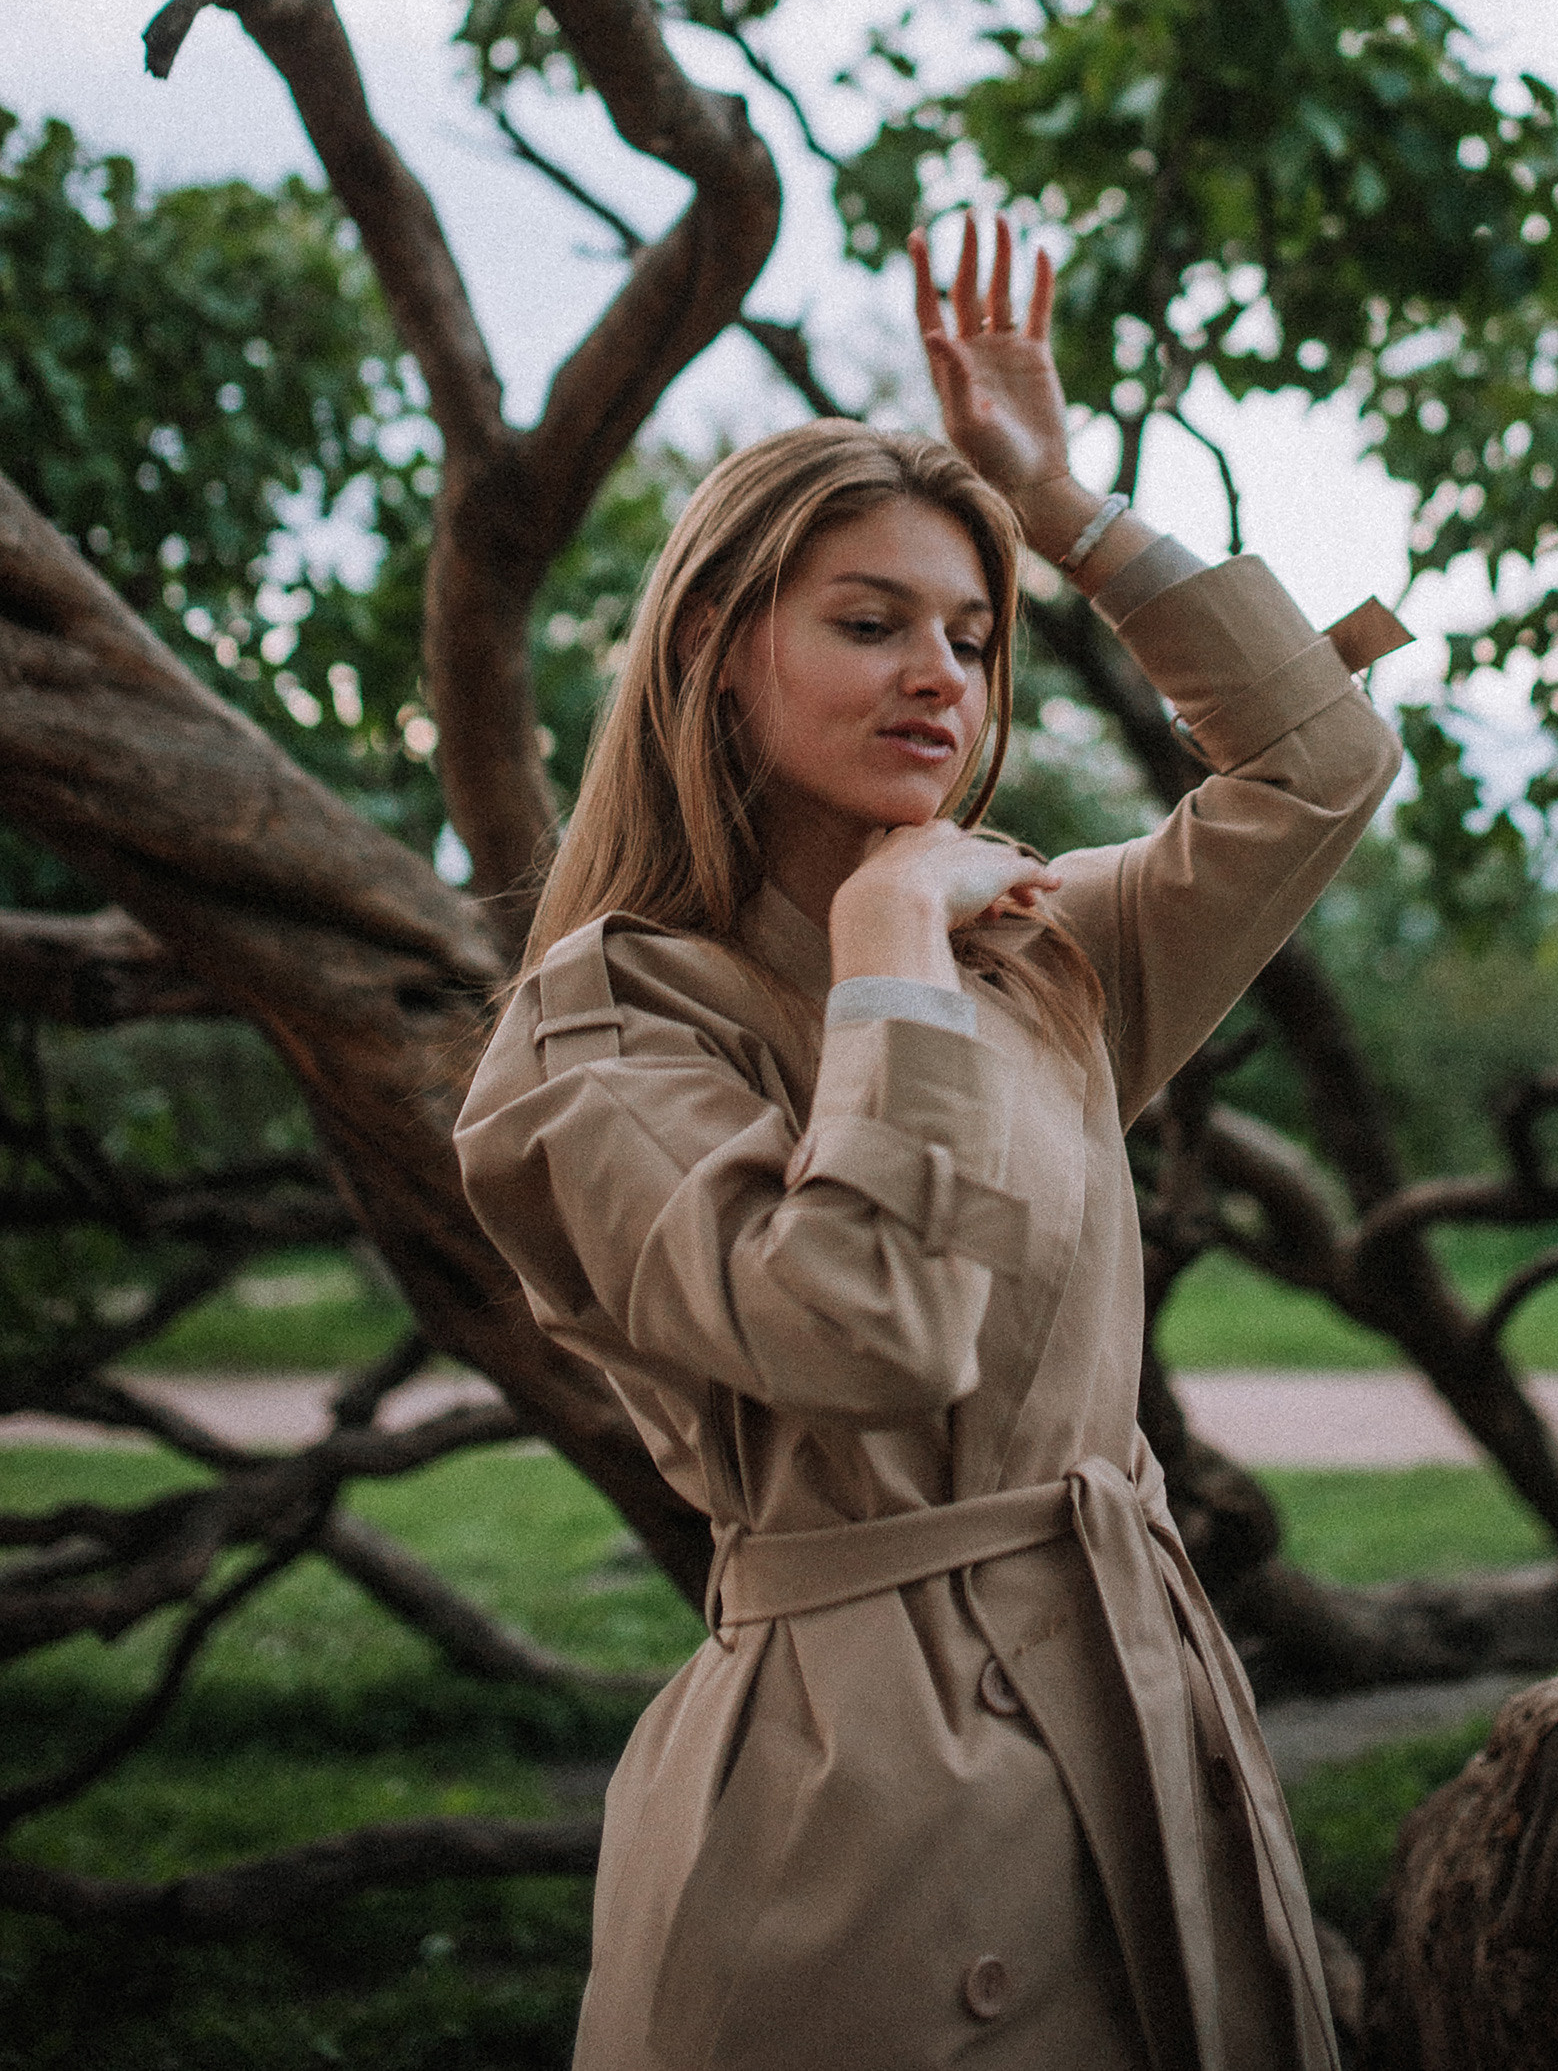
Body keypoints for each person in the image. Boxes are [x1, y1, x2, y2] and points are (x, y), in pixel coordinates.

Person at [455, 220, 1405, 2071]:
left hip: (1142, 1730)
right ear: (717, 649)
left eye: (972, 638)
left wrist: (1061, 506)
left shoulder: (1047, 955)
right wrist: (888, 938)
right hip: (857, 1819)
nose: (942, 680)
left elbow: (1324, 769)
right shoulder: (604, 1027)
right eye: (870, 623)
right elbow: (865, 1327)